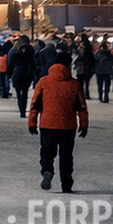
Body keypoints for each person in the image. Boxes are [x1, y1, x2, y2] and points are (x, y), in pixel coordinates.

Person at [28, 61, 88, 193]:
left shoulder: (43, 82)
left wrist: (32, 122)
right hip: (68, 125)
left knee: (47, 152)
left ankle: (47, 171)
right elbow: (82, 107)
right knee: (66, 155)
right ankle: (66, 184)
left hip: (47, 124)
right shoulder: (74, 84)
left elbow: (35, 104)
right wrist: (84, 125)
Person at [8, 35, 38, 118]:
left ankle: (21, 108)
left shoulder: (14, 51)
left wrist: (9, 74)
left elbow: (10, 64)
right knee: (25, 92)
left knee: (18, 93)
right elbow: (34, 63)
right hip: (27, 73)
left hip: (17, 73)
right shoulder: (31, 51)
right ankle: (23, 110)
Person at [73, 33, 95, 100]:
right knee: (87, 82)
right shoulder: (89, 47)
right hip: (88, 67)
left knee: (80, 82)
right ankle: (87, 94)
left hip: (81, 67)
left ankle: (81, 95)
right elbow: (92, 58)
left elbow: (78, 56)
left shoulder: (80, 49)